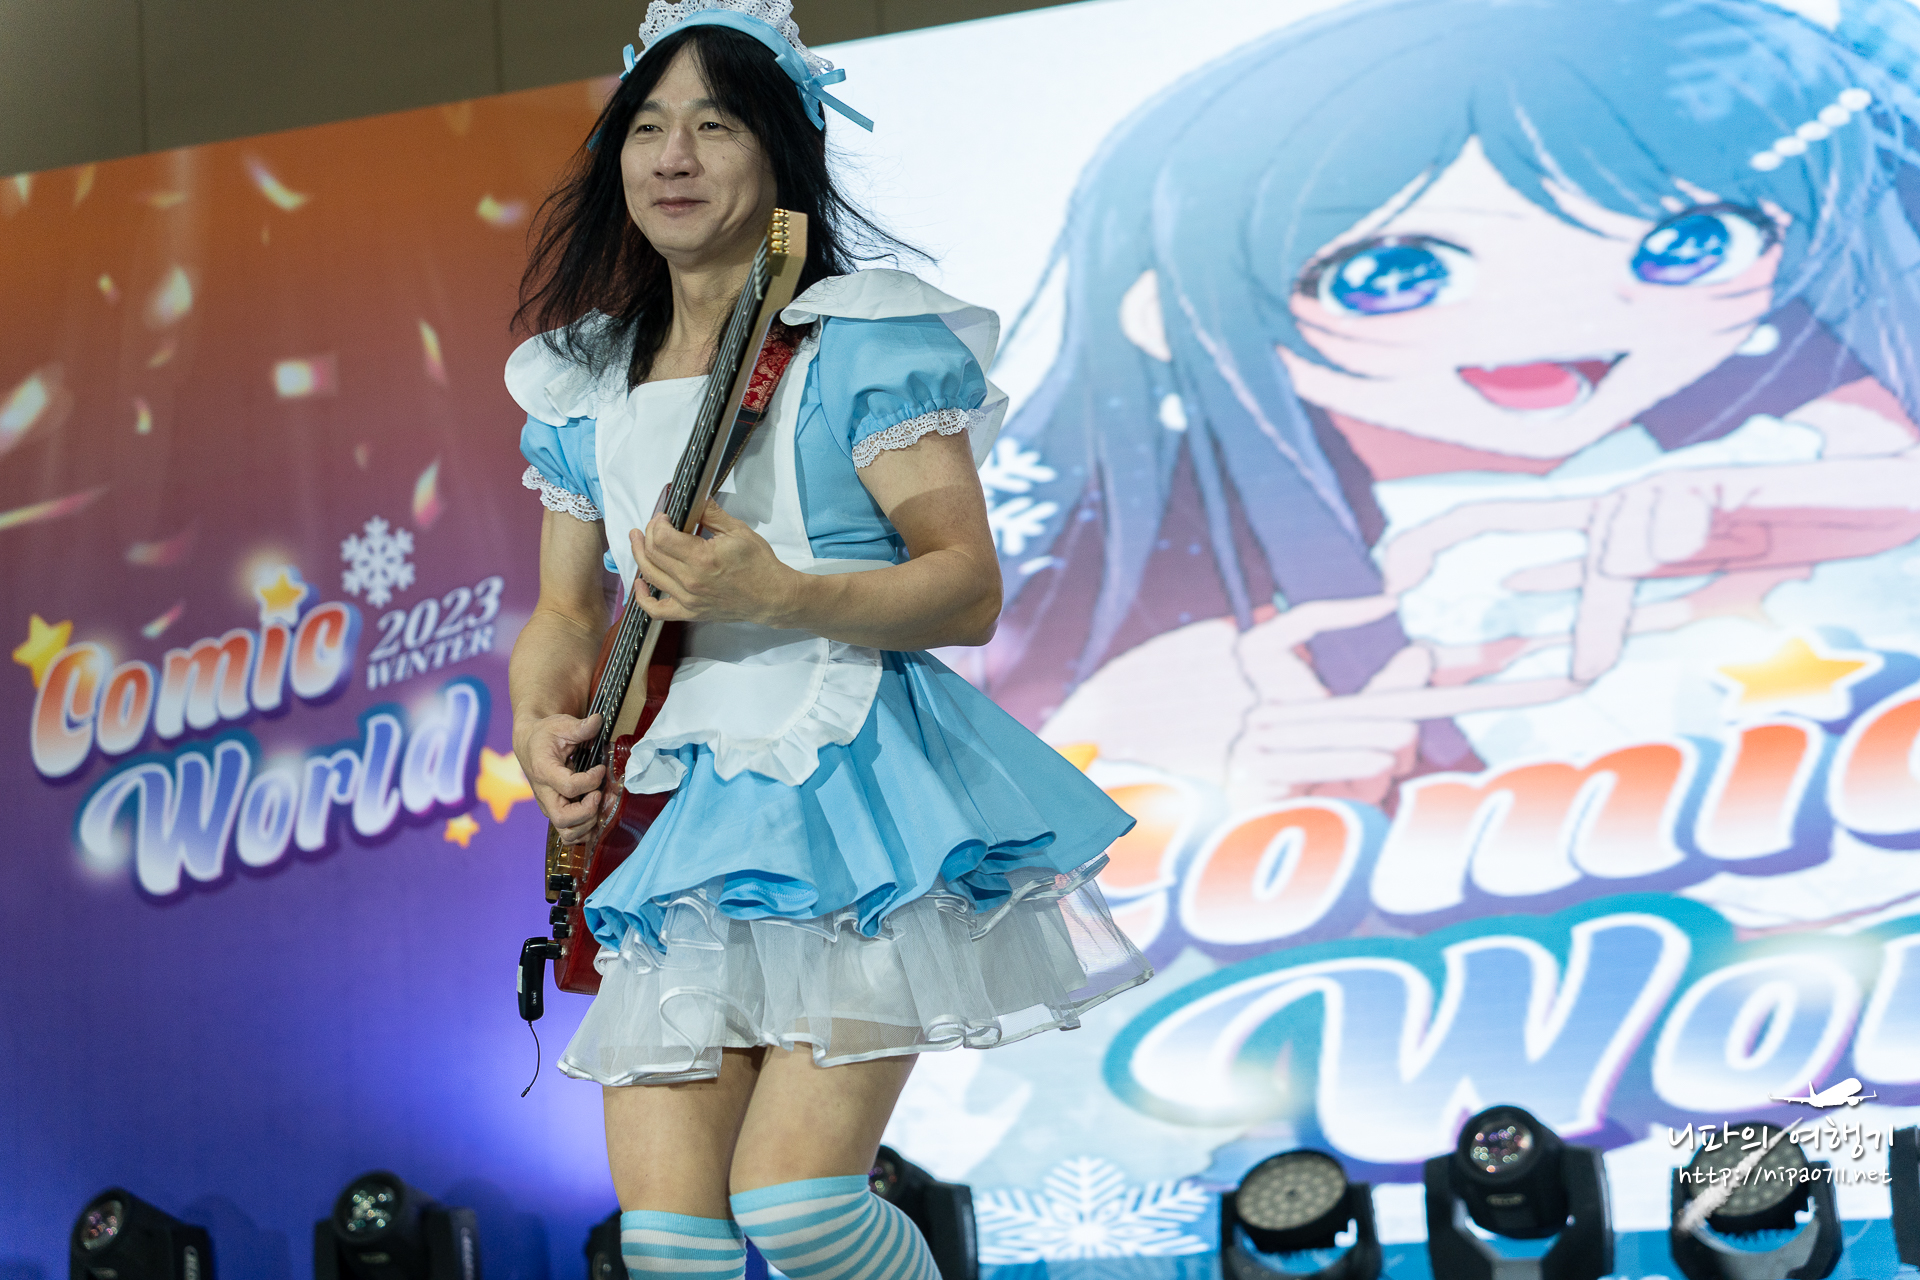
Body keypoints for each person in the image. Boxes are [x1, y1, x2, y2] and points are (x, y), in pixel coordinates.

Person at [505, 4, 1152, 1278]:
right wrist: (538, 723)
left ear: (783, 151)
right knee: (669, 1244)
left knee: (800, 1206)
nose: (673, 157)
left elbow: (966, 587)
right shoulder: (584, 381)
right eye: (646, 127)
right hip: (669, 806)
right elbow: (568, 613)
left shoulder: (864, 341)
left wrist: (783, 592)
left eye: (714, 125)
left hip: (850, 784)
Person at [978, 0, 1920, 828]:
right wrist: (1255, 798)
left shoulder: (1799, 407)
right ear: (1165, 313)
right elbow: (1078, 822)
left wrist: (1748, 511)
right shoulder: (1197, 610)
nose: (1561, 318)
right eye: (1395, 274)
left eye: (1689, 244)